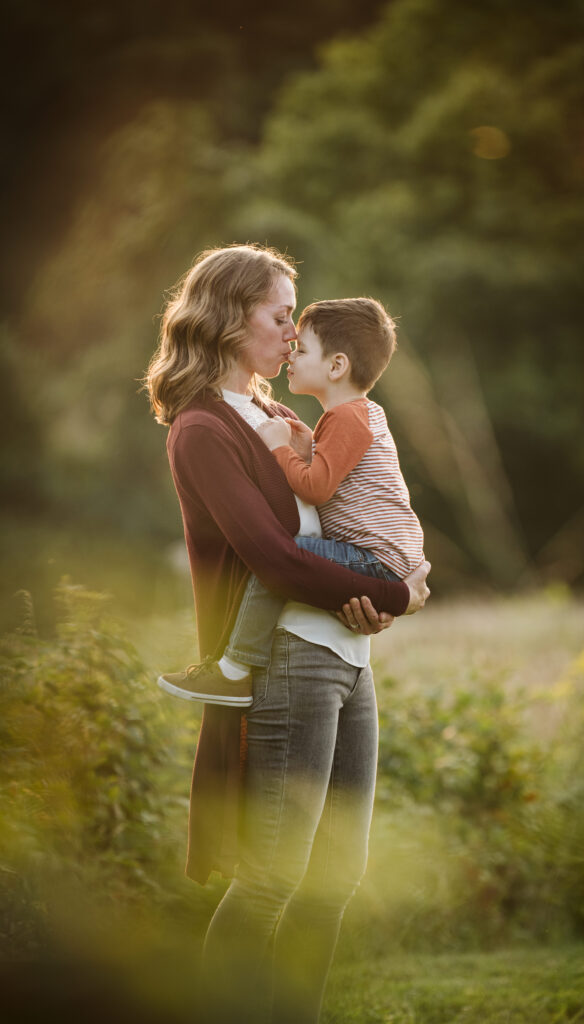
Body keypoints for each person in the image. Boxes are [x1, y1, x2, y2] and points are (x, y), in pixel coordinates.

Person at [144, 244, 430, 1024]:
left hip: (346, 657)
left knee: (336, 876)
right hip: (283, 663)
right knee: (271, 876)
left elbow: (340, 518)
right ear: (233, 318)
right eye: (279, 315)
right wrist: (394, 591)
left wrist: (378, 591)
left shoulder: (277, 413)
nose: (290, 330)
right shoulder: (203, 429)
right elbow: (271, 558)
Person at [158, 296, 425, 706]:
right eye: (281, 319)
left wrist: (283, 452)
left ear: (336, 366)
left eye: (301, 346)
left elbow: (312, 496)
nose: (292, 341)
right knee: (285, 556)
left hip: (360, 608)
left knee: (290, 553)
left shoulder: (337, 416)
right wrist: (305, 452)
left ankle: (233, 670)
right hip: (316, 640)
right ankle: (235, 669)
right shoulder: (208, 427)